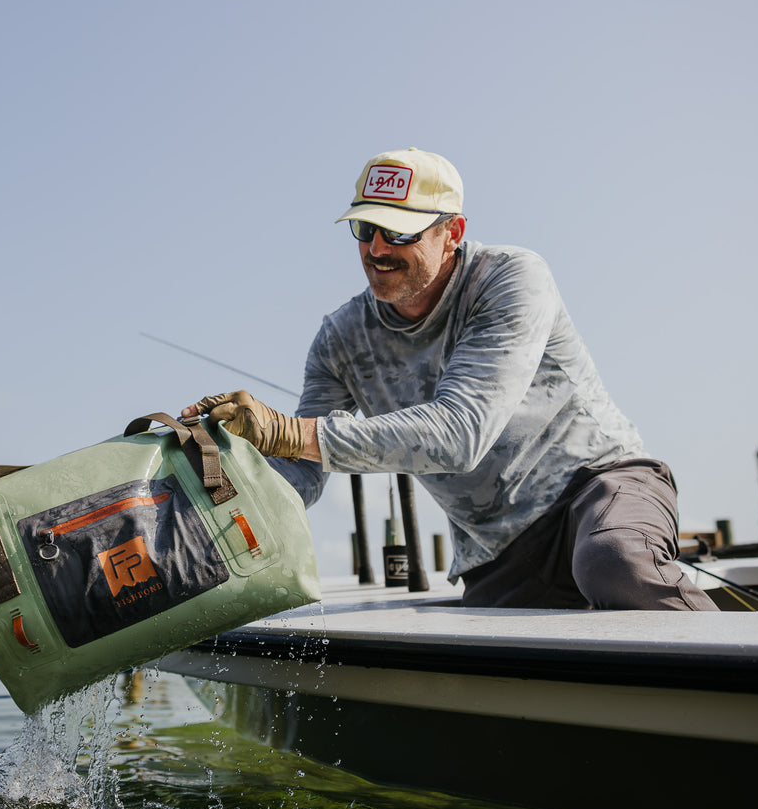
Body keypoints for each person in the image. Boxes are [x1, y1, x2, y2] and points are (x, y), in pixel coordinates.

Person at [185, 147, 716, 611]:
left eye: (398, 232)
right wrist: (217, 474)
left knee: (613, 562)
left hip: (598, 488)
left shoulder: (510, 278)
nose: (375, 250)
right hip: (495, 549)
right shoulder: (340, 339)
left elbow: (460, 433)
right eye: (364, 229)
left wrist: (284, 431)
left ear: (452, 232)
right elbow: (300, 474)